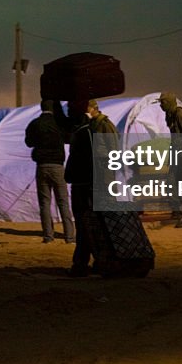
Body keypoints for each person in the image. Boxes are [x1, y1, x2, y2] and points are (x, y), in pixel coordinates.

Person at [53, 98, 119, 277]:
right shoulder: (86, 128)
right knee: (86, 225)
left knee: (92, 225)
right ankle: (87, 263)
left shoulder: (101, 126)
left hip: (97, 184)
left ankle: (93, 263)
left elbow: (113, 154)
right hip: (91, 183)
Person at [25, 99, 75, 244]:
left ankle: (48, 236)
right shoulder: (59, 123)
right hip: (57, 166)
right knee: (63, 202)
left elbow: (29, 142)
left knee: (44, 203)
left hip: (41, 166)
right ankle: (70, 237)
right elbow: (69, 138)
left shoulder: (35, 124)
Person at [158, 91, 182, 228]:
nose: (161, 105)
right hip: (176, 153)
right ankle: (177, 212)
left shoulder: (180, 114)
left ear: (169, 102)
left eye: (163, 102)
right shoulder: (169, 115)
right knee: (171, 183)